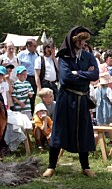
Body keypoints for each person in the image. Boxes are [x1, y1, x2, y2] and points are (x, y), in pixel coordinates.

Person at [43, 26, 99, 178]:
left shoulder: (88, 56)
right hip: (66, 99)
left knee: (83, 131)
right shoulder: (64, 57)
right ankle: (51, 166)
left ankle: (85, 167)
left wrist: (79, 73)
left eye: (84, 40)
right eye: (80, 40)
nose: (82, 43)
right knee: (59, 131)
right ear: (73, 40)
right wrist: (85, 74)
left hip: (82, 99)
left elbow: (95, 75)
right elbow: (65, 78)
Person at [17, 39, 39, 114]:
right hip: (24, 78)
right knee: (23, 97)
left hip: (33, 78)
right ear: (28, 46)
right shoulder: (21, 55)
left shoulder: (37, 55)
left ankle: (31, 115)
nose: (36, 47)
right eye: (34, 46)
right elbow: (18, 66)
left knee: (32, 97)